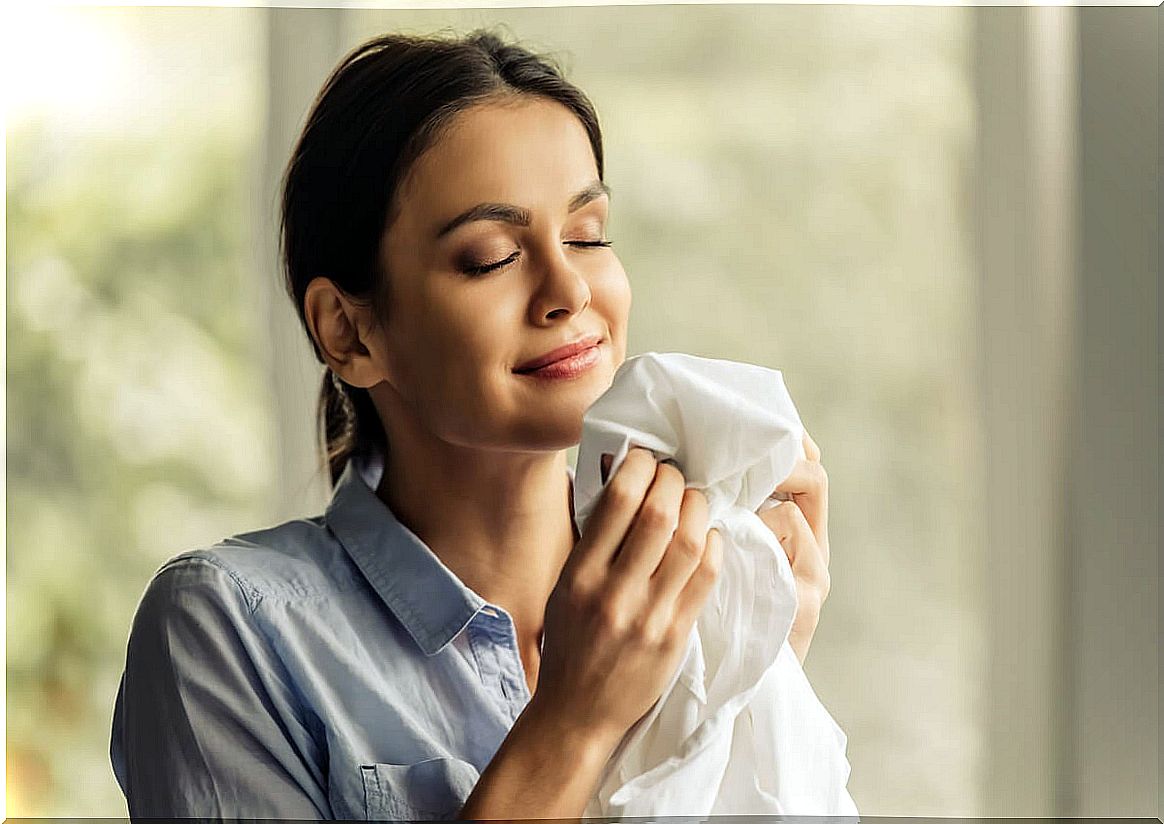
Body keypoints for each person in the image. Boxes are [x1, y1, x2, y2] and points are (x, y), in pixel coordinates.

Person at [109, 28, 833, 820]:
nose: (568, 289)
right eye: (490, 256)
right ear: (349, 331)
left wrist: (756, 663)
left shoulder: (684, 604)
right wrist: (573, 724)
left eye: (587, 236)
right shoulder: (228, 628)